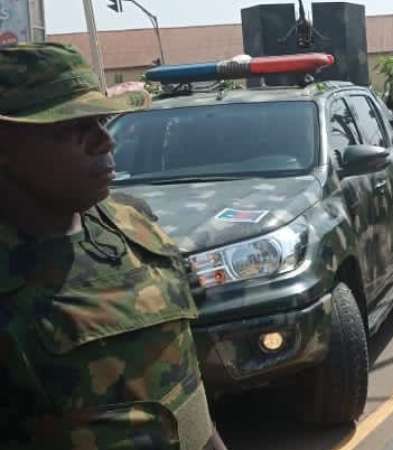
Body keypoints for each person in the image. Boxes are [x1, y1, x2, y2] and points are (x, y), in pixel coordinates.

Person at [0, 43, 226, 450]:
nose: (105, 141)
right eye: (73, 128)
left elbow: (188, 396)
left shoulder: (132, 224)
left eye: (101, 120)